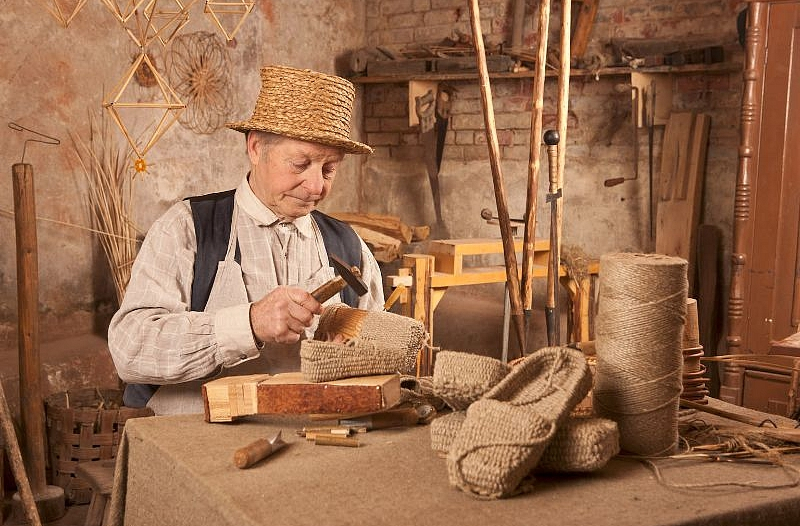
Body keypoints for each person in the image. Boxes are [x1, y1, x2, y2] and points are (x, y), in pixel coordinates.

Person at [108, 65, 385, 415]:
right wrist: (249, 323)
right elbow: (130, 350)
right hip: (194, 447)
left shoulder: (347, 244)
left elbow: (376, 346)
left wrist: (355, 353)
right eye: (300, 164)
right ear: (255, 148)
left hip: (310, 441)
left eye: (329, 169)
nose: (317, 187)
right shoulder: (188, 228)